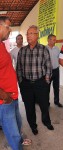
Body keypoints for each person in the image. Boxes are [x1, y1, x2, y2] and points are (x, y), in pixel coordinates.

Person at [0, 16, 31, 150]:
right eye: (7, 26)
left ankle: (17, 141)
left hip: (12, 94)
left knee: (17, 123)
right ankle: (15, 146)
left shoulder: (1, 44)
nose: (10, 30)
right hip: (4, 99)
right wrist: (2, 94)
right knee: (11, 130)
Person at [16, 25, 54, 135]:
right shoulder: (22, 51)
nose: (28, 36)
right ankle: (33, 126)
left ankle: (46, 121)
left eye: (31, 33)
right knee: (29, 107)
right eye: (27, 34)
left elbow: (48, 66)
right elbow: (18, 68)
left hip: (40, 83)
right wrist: (21, 83)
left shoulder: (43, 49)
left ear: (37, 35)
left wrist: (46, 82)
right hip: (26, 85)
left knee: (44, 105)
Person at [46, 34, 63, 108]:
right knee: (47, 88)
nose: (55, 41)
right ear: (49, 40)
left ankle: (56, 101)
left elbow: (60, 58)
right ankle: (47, 103)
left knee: (56, 87)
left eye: (55, 39)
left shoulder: (57, 49)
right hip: (47, 72)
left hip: (56, 70)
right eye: (53, 39)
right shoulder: (44, 49)